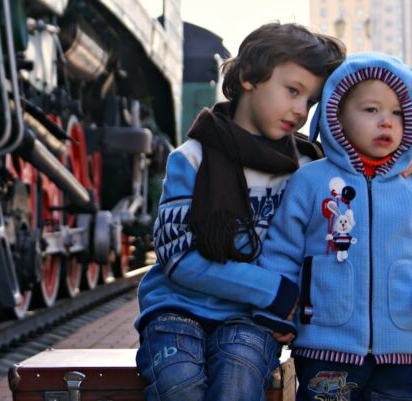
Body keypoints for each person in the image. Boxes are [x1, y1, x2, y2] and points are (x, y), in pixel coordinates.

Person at [134, 22, 346, 401]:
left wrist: (403, 165)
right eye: (292, 91)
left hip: (251, 318)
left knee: (238, 382)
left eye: (309, 101)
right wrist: (273, 292)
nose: (300, 110)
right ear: (249, 76)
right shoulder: (192, 159)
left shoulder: (306, 167)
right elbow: (178, 257)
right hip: (176, 308)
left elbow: (357, 183)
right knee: (179, 385)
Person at [259, 52, 412, 401]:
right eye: (371, 110)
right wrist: (277, 308)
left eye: (398, 113)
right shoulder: (310, 182)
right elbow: (282, 251)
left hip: (399, 352)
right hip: (325, 349)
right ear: (336, 115)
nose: (386, 121)